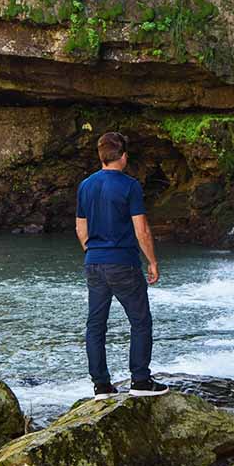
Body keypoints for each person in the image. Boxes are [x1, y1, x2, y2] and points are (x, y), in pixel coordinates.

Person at [75, 131, 169, 399]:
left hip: (93, 262)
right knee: (140, 322)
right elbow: (142, 231)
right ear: (124, 156)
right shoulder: (130, 186)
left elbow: (81, 229)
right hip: (124, 263)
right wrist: (152, 261)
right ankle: (140, 381)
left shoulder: (85, 185)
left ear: (101, 156)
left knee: (96, 325)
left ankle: (101, 387)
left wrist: (94, 252)